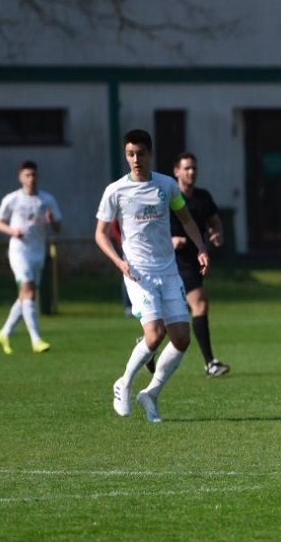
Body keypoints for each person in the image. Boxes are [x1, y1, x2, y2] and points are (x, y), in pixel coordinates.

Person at [94, 129, 210, 423]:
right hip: (138, 272)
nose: (135, 159)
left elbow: (186, 219)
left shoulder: (167, 186)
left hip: (169, 271)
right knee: (155, 333)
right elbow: (100, 234)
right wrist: (120, 262)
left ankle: (152, 393)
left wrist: (201, 248)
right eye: (130, 154)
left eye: (140, 153)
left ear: (150, 154)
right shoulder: (116, 191)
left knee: (182, 338)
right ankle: (124, 383)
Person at [170, 152, 230, 376]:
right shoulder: (168, 197)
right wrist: (170, 240)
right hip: (173, 260)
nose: (191, 172)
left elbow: (215, 220)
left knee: (176, 314)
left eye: (194, 168)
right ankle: (210, 363)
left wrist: (217, 234)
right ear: (177, 171)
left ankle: (148, 344)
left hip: (195, 259)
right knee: (200, 304)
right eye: (186, 168)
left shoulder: (203, 197)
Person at [0, 160, 62, 354]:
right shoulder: (12, 199)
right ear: (20, 177)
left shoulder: (46, 200)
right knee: (29, 290)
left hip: (38, 251)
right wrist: (12, 230)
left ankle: (5, 332)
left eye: (34, 175)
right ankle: (36, 339)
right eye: (27, 175)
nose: (31, 179)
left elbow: (58, 227)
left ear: (38, 177)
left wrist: (52, 221)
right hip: (19, 251)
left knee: (26, 295)